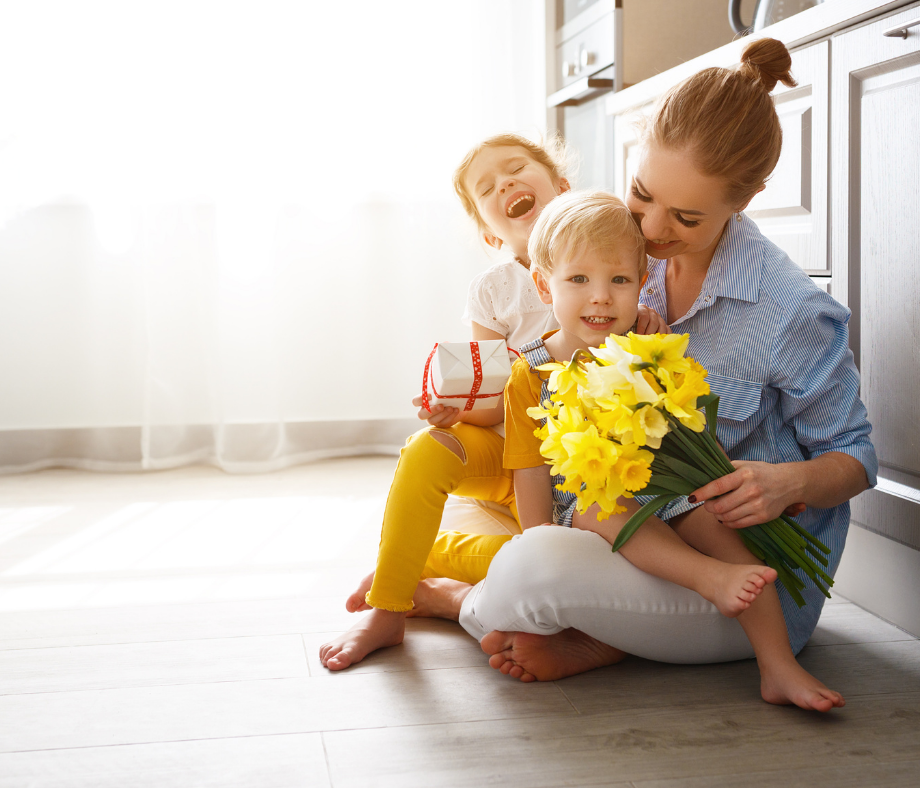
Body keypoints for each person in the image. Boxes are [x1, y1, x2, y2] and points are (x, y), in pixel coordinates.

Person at [413, 39, 877, 713]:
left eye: (686, 218)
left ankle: (478, 605)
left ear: (748, 199)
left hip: (750, 575)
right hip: (637, 530)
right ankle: (587, 634)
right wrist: (462, 404)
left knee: (526, 570)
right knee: (518, 535)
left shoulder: (788, 309)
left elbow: (857, 456)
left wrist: (792, 482)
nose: (654, 232)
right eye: (641, 196)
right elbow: (544, 352)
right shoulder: (620, 252)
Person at [319, 133, 664, 671]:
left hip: (590, 474)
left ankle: (425, 565)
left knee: (559, 556)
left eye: (516, 167)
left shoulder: (615, 256)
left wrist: (645, 322)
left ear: (562, 188)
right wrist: (457, 409)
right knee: (427, 447)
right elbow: (494, 393)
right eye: (487, 187)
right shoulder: (493, 291)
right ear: (487, 229)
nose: (504, 182)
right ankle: (388, 608)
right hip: (511, 458)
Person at [505, 189, 778, 623]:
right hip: (588, 511)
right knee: (602, 507)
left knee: (722, 528)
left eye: (619, 280)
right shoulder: (531, 373)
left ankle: (778, 661)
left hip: (666, 493)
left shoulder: (648, 349)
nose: (601, 297)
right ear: (543, 285)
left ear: (642, 282)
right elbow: (530, 472)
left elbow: (690, 429)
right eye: (578, 280)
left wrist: (722, 482)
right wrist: (538, 545)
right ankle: (709, 577)